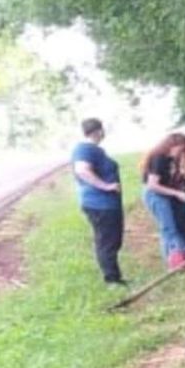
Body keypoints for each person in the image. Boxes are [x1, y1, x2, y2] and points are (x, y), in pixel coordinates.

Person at [71, 118, 126, 285]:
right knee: (106, 241)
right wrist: (106, 186)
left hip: (108, 204)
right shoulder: (84, 149)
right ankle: (112, 280)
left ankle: (114, 276)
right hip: (99, 204)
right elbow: (81, 170)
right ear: (99, 131)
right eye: (102, 129)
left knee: (113, 240)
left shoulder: (95, 150)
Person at [140, 133, 185, 270]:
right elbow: (153, 185)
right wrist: (177, 193)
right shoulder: (159, 158)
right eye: (180, 150)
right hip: (155, 195)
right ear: (171, 146)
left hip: (164, 194)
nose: (181, 153)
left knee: (173, 226)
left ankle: (182, 257)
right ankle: (174, 261)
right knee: (168, 228)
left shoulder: (171, 160)